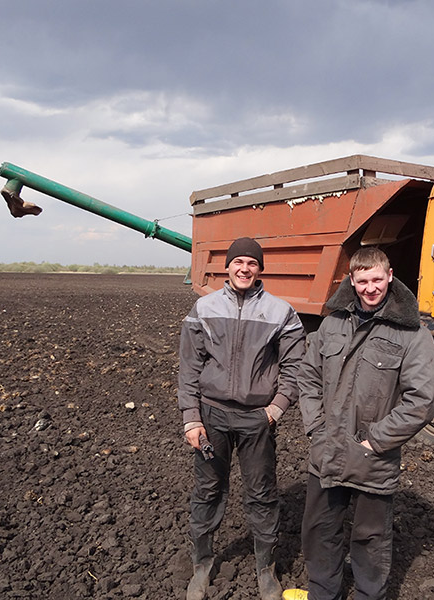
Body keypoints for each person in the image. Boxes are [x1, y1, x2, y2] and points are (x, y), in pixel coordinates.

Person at [290, 247, 434, 600]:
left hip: (373, 456)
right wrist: (315, 427)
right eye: (362, 281)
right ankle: (322, 593)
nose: (370, 288)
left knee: (370, 536)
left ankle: (369, 596)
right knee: (319, 529)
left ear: (390, 276)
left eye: (377, 279)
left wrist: (376, 440)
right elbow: (307, 377)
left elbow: (423, 400)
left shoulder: (412, 334)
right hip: (326, 448)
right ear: (352, 281)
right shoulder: (332, 324)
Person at [178, 237, 305, 600]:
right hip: (211, 417)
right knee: (207, 491)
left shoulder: (281, 312)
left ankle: (266, 569)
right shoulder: (204, 308)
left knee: (262, 494)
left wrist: (275, 409)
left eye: (252, 262)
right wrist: (191, 417)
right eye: (239, 262)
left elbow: (295, 367)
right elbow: (189, 366)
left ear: (260, 269)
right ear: (228, 267)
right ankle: (201, 564)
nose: (245, 268)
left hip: (256, 420)